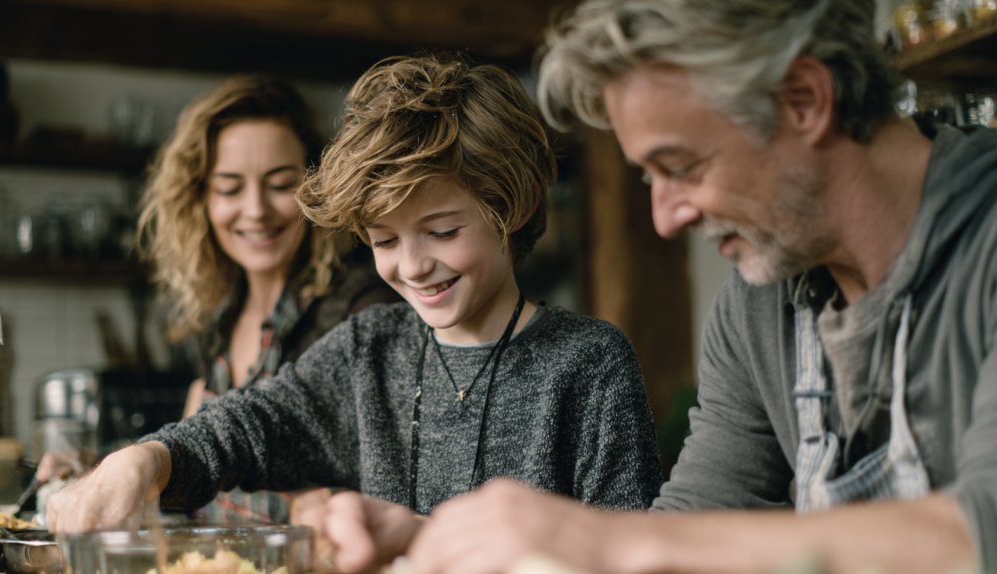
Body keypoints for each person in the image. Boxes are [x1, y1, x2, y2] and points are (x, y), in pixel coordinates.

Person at [358, 1, 992, 573]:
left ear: (804, 101)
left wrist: (610, 542)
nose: (666, 218)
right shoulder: (756, 306)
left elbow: (982, 530)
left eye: (681, 167)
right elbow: (697, 519)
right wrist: (436, 540)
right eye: (648, 177)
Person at [45, 55, 662, 546]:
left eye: (443, 232)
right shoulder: (368, 349)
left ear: (516, 205)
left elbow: (627, 553)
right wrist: (142, 462)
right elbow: (244, 427)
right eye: (385, 240)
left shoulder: (589, 363)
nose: (413, 266)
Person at [36, 75, 398, 524]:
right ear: (201, 200)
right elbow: (197, 449)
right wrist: (98, 469)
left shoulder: (364, 312)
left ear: (318, 188)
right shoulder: (221, 318)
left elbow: (387, 491)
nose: (256, 210)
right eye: (229, 188)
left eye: (280, 183)